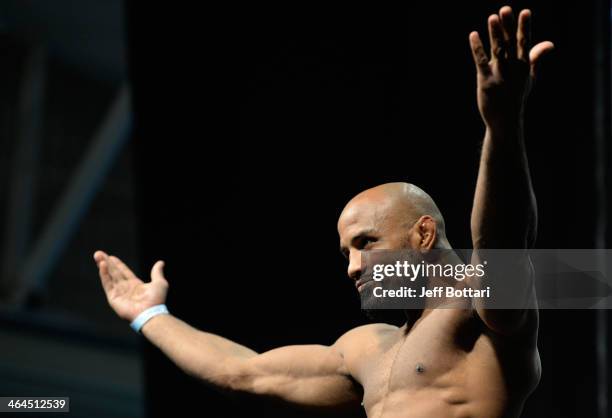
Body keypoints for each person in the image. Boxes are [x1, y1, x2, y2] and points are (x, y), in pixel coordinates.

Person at [94, 6, 553, 417]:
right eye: (345, 254)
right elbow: (247, 374)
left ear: (424, 234)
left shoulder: (480, 308)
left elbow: (502, 242)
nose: (354, 267)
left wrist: (502, 124)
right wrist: (151, 316)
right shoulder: (369, 351)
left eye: (366, 243)